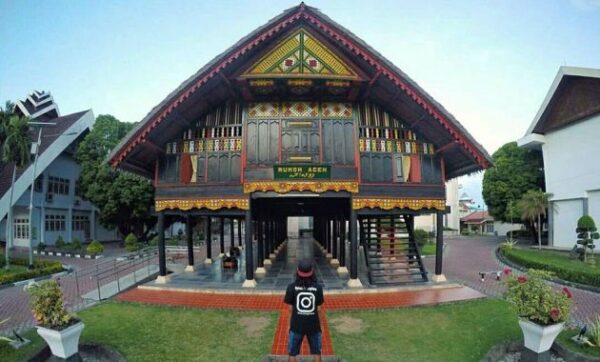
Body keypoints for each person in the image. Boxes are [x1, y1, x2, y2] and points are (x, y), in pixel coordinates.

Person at [284, 259, 324, 362]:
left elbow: (290, 309)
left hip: (296, 325)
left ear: (297, 271)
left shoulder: (291, 288)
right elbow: (319, 310)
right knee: (317, 353)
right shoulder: (318, 288)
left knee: (292, 353)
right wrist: (321, 325)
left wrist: (289, 325)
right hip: (314, 325)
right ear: (312, 272)